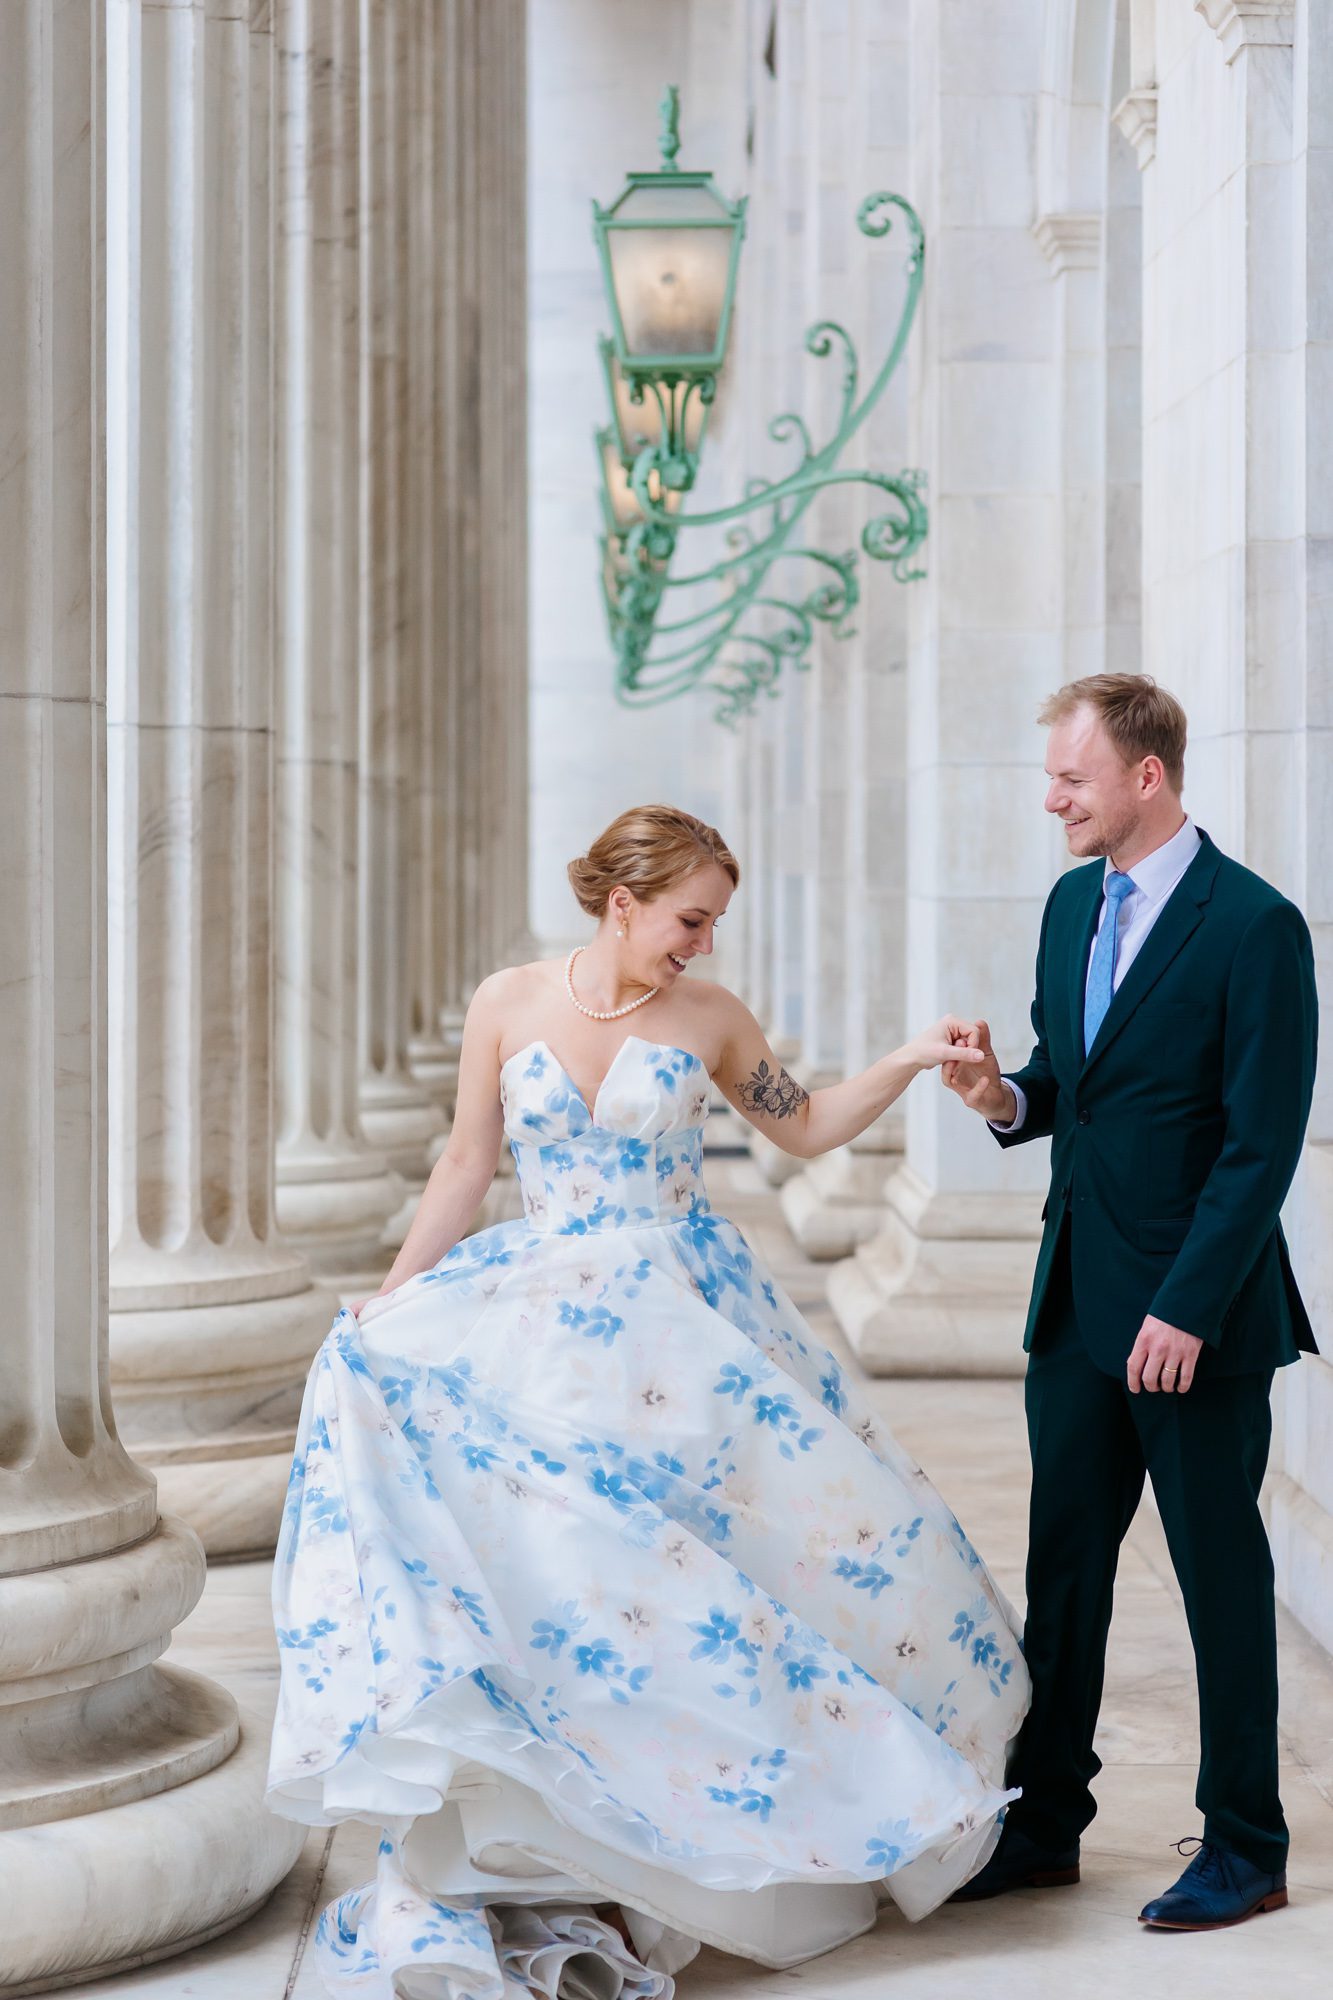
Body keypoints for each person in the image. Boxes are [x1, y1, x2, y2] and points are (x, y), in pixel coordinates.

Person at [267, 804, 1029, 1999]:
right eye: (691, 917)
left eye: (715, 920)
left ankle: (680, 1837)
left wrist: (909, 1057)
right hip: (538, 1321)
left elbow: (808, 1125)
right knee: (562, 1584)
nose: (704, 942)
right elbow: (467, 1162)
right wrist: (390, 1298)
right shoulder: (506, 999)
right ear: (623, 900)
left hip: (684, 1324)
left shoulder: (712, 1020)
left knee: (696, 1587)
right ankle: (557, 1841)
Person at [944, 675, 1317, 1931]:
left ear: (1144, 777)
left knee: (1218, 1580)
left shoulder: (1256, 926)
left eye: (1071, 778)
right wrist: (1003, 1097)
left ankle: (1246, 1845)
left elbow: (1259, 1146)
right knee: (1065, 1576)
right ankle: (1046, 1823)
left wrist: (1188, 1306)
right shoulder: (1067, 903)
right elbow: (1073, 1084)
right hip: (1076, 1306)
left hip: (1194, 1322)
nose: (1052, 798)